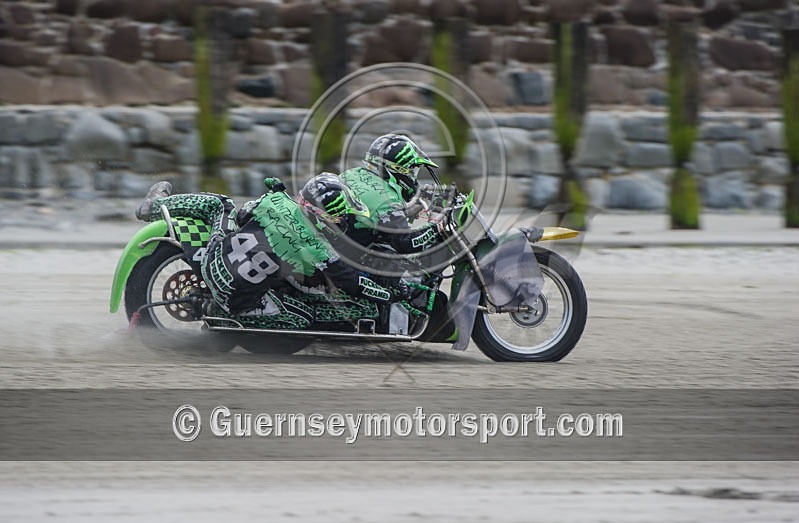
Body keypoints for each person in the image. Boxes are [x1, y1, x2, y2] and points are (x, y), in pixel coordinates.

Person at [134, 178, 410, 328]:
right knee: (306, 315)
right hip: (236, 297)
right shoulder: (318, 249)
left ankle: (156, 206)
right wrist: (390, 293)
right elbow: (350, 282)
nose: (343, 222)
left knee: (222, 204)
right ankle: (218, 311)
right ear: (320, 215)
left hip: (212, 256)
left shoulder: (276, 200)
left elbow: (243, 215)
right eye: (338, 217)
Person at [337, 134, 447, 254]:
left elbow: (381, 217)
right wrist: (436, 225)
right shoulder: (384, 199)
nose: (413, 178)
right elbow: (407, 243)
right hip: (342, 260)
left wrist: (415, 205)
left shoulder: (352, 174)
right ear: (398, 169)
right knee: (403, 265)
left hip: (335, 245)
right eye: (412, 171)